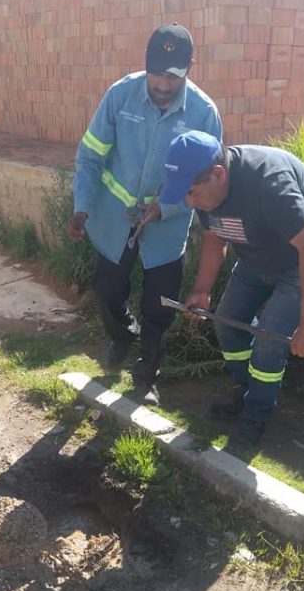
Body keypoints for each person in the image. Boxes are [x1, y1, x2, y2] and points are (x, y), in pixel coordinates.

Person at [68, 23, 222, 406]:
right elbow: (90, 157)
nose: (163, 85)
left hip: (166, 229)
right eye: (156, 73)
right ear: (145, 65)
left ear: (190, 67)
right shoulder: (120, 96)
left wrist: (165, 209)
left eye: (173, 76)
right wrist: (82, 207)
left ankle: (146, 376)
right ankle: (122, 336)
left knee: (159, 308)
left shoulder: (204, 114)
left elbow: (208, 186)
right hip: (112, 222)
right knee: (108, 292)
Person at [159, 130, 304, 448]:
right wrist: (202, 289)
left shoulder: (268, 183)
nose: (189, 202)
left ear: (218, 174)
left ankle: (257, 413)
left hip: (301, 260)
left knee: (269, 341)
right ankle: (250, 391)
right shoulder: (206, 187)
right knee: (227, 324)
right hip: (255, 254)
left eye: (192, 193)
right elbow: (215, 235)